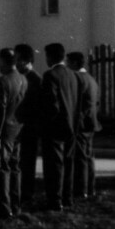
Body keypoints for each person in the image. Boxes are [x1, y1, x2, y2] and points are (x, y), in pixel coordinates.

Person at [0, 48, 26, 218]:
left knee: (1, 170)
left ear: (3, 61)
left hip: (3, 132)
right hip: (17, 129)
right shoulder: (23, 79)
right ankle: (15, 205)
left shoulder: (2, 81)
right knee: (15, 169)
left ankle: (3, 208)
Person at [39, 42, 79, 211]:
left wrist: (45, 122)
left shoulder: (50, 75)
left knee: (53, 166)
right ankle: (67, 198)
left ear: (50, 57)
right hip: (71, 125)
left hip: (54, 127)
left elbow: (51, 105)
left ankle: (55, 201)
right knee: (68, 164)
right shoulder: (73, 75)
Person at [67, 51, 102, 200]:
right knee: (88, 157)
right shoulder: (91, 79)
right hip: (91, 122)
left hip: (80, 124)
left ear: (75, 63)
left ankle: (81, 191)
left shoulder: (77, 78)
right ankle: (90, 188)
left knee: (80, 158)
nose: (67, 65)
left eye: (69, 62)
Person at [13, 44, 42, 208]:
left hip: (29, 128)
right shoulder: (25, 77)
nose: (15, 63)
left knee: (27, 163)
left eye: (17, 59)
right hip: (23, 126)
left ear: (25, 60)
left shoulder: (34, 79)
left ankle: (26, 193)